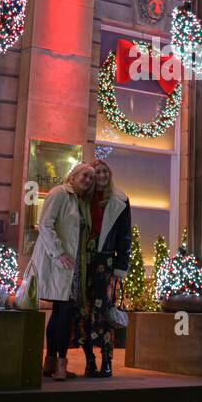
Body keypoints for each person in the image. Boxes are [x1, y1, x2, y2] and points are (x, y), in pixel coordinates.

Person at [33, 162, 95, 381]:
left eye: (90, 178)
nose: (87, 180)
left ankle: (50, 364)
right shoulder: (59, 193)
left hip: (72, 265)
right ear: (74, 175)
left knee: (60, 312)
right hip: (60, 262)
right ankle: (59, 366)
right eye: (84, 176)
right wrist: (58, 252)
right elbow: (45, 225)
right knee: (64, 313)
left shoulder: (79, 201)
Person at [78, 160, 132, 378]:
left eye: (104, 171)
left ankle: (106, 361)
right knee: (83, 309)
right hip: (84, 261)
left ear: (109, 175)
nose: (100, 175)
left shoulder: (120, 200)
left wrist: (122, 265)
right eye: (96, 171)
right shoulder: (83, 198)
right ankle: (89, 359)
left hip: (106, 263)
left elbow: (125, 236)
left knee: (104, 311)